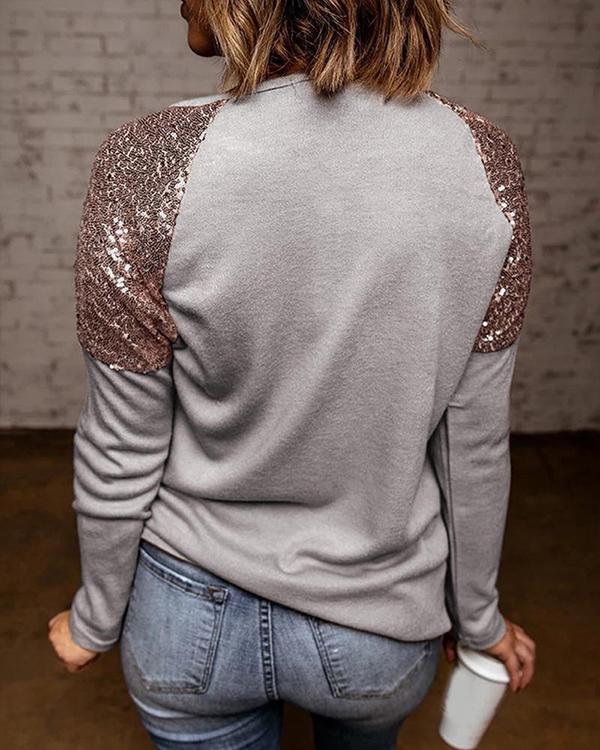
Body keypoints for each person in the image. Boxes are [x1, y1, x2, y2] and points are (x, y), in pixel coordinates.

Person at [48, 1, 537, 748]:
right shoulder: (483, 162)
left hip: (188, 619)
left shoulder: (148, 162)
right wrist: (479, 621)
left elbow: (123, 442)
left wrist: (95, 618)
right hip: (377, 627)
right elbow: (470, 446)